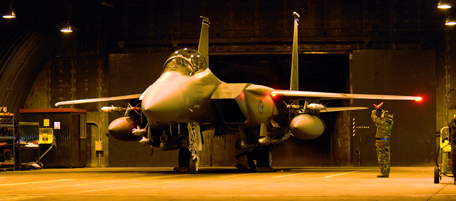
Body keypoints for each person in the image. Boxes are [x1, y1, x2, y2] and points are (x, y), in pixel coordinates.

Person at [371, 105, 394, 178]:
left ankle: (383, 172)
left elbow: (373, 117)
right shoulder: (390, 122)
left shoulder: (381, 122)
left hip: (380, 141)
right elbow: (387, 115)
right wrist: (381, 110)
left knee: (381, 157)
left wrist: (374, 111)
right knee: (387, 157)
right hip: (386, 141)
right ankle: (386, 172)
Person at [449, 113, 456, 184]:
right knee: (454, 162)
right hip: (454, 144)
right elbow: (450, 132)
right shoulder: (451, 124)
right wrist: (449, 140)